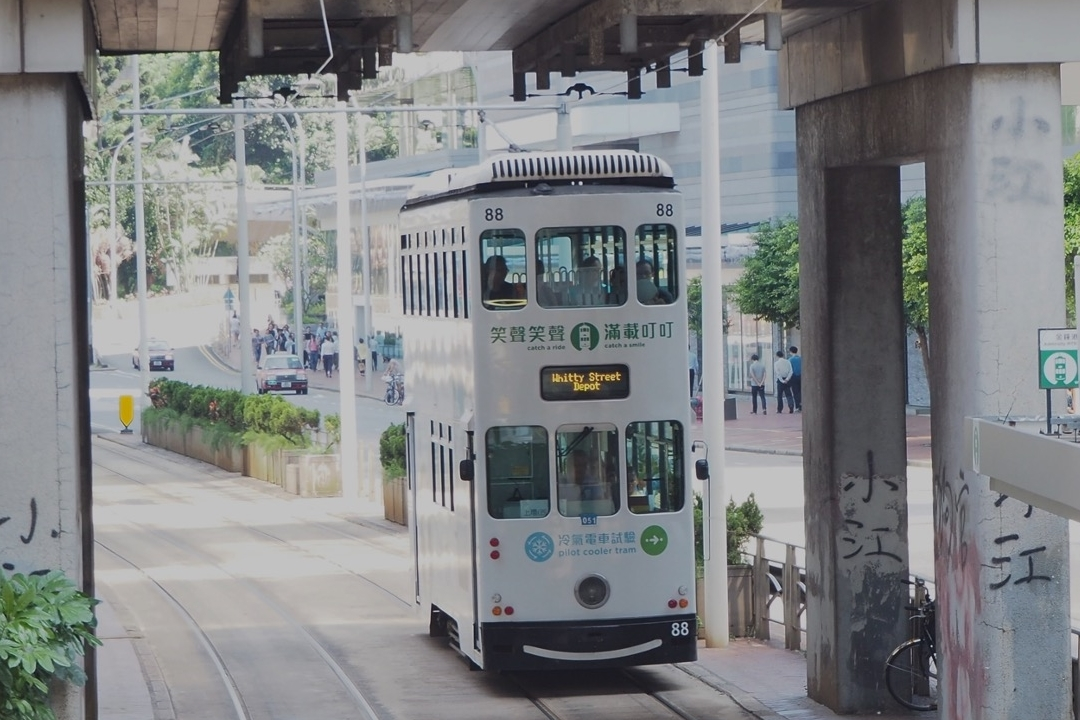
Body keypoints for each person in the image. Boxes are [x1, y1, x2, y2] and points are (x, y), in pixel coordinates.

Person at [774, 349, 794, 414]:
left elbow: (778, 373)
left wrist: (782, 381)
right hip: (787, 379)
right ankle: (791, 406)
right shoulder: (788, 362)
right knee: (789, 394)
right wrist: (787, 379)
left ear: (777, 356)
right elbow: (791, 371)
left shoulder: (776, 363)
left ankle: (779, 409)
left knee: (779, 395)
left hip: (780, 381)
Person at [788, 346, 802, 411]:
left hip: (793, 377)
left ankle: (797, 406)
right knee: (801, 391)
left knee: (795, 392)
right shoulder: (801, 358)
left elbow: (789, 369)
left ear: (790, 351)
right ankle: (802, 404)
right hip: (801, 376)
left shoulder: (790, 360)